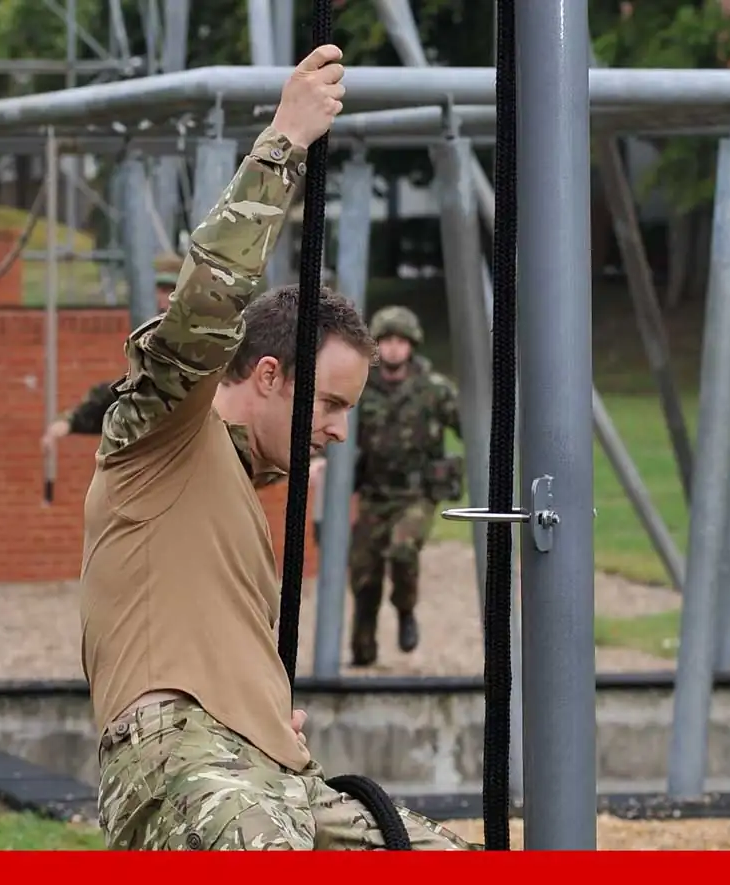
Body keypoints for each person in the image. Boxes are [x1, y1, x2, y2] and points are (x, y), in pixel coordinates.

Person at [81, 44, 474, 852]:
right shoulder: (160, 436)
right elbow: (206, 303)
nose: (340, 428)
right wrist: (285, 141)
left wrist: (261, 710)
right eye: (329, 403)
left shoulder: (232, 486)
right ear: (267, 374)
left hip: (263, 765)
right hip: (183, 760)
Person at [346, 305, 463, 668]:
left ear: (412, 345)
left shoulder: (434, 390)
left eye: (400, 341)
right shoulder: (359, 388)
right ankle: (363, 652)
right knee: (364, 576)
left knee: (402, 549)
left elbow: (474, 427)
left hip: (416, 494)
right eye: (386, 341)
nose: (393, 348)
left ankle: (405, 609)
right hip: (373, 493)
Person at [40, 251, 186, 449]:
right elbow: (132, 391)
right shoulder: (154, 338)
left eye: (172, 288)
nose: (165, 297)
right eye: (161, 289)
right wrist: (73, 420)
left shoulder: (200, 334)